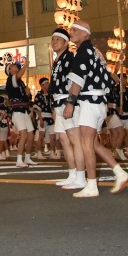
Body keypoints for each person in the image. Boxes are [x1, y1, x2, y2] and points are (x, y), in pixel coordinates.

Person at [63, 20, 128, 197]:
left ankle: (92, 185)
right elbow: (109, 79)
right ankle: (120, 172)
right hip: (98, 101)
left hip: (90, 100)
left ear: (85, 33)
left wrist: (70, 102)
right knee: (92, 143)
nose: (71, 32)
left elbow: (78, 79)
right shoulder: (94, 51)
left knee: (86, 143)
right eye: (71, 29)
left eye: (75, 30)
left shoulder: (84, 51)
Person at [49, 28, 84, 189]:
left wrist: (70, 102)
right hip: (58, 102)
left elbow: (74, 82)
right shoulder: (56, 61)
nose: (54, 42)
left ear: (66, 42)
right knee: (64, 139)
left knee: (74, 139)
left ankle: (81, 175)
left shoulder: (70, 57)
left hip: (67, 101)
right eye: (53, 39)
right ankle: (72, 173)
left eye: (58, 39)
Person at [5, 61, 36, 166]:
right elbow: (18, 75)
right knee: (23, 134)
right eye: (12, 65)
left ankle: (27, 158)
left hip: (24, 110)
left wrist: (28, 93)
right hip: (16, 111)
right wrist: (25, 66)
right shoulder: (10, 79)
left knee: (31, 135)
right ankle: (19, 160)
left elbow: (27, 98)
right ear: (9, 70)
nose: (15, 66)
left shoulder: (20, 82)